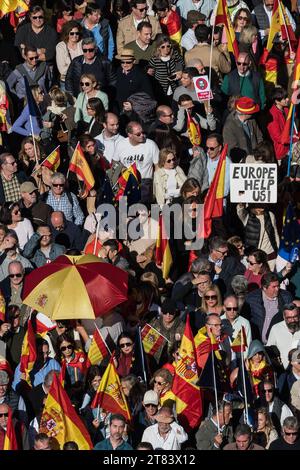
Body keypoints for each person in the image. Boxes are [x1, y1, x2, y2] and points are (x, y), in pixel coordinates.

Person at [113, 121, 159, 202]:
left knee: (143, 211)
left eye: (143, 132)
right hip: (126, 182)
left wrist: (157, 185)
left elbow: (158, 166)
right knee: (124, 211)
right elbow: (114, 162)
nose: (142, 135)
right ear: (130, 135)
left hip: (144, 183)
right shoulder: (121, 144)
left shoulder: (151, 145)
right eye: (138, 134)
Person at [244, 272, 293, 343]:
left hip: (278, 342)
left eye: (278, 286)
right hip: (257, 342)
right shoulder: (251, 299)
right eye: (274, 287)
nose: (277, 289)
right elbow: (245, 320)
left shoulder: (286, 297)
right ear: (264, 287)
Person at [237, 204, 280, 269]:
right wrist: (240, 203)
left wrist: (278, 251)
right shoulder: (247, 216)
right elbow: (240, 211)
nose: (259, 206)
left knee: (269, 277)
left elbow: (275, 234)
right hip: (254, 259)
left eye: (261, 204)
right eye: (257, 204)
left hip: (270, 257)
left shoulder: (270, 215)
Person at [222, 96, 263, 162]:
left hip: (255, 158)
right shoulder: (229, 126)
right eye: (252, 111)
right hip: (241, 163)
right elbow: (231, 149)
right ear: (245, 113)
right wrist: (246, 160)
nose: (254, 113)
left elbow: (259, 137)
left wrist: (260, 154)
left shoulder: (252, 120)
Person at [147, 34, 184, 99]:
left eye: (168, 46)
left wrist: (179, 71)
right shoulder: (154, 60)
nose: (166, 48)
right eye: (163, 47)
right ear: (158, 47)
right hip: (161, 92)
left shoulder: (174, 54)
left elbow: (181, 62)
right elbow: (150, 75)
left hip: (175, 89)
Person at [267, 303, 300, 370]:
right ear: (284, 317)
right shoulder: (276, 329)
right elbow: (269, 350)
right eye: (289, 318)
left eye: (295, 317)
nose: (293, 320)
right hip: (283, 372)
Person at [56, 21, 83, 89]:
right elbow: (62, 70)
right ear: (67, 33)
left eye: (77, 33)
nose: (75, 35)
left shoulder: (82, 43)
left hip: (82, 81)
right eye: (72, 33)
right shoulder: (61, 46)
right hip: (67, 82)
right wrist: (80, 68)